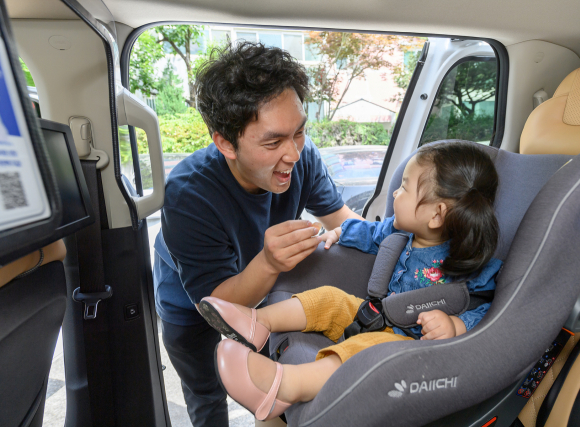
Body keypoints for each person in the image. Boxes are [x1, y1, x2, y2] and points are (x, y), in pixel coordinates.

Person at [201, 141, 503, 421]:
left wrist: (456, 326)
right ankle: (258, 322)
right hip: (379, 315)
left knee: (368, 348)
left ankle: (288, 386)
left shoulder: (469, 263)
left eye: (405, 189)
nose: (395, 194)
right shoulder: (397, 234)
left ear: (437, 214)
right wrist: (338, 233)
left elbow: (492, 313)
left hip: (410, 349)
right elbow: (366, 233)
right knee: (330, 299)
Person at [153, 41, 361, 426]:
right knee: (206, 391)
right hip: (192, 303)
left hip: (261, 291)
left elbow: (344, 220)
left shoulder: (303, 156)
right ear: (225, 143)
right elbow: (219, 307)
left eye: (298, 132)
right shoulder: (187, 194)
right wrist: (268, 262)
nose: (293, 154)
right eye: (273, 141)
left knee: (264, 389)